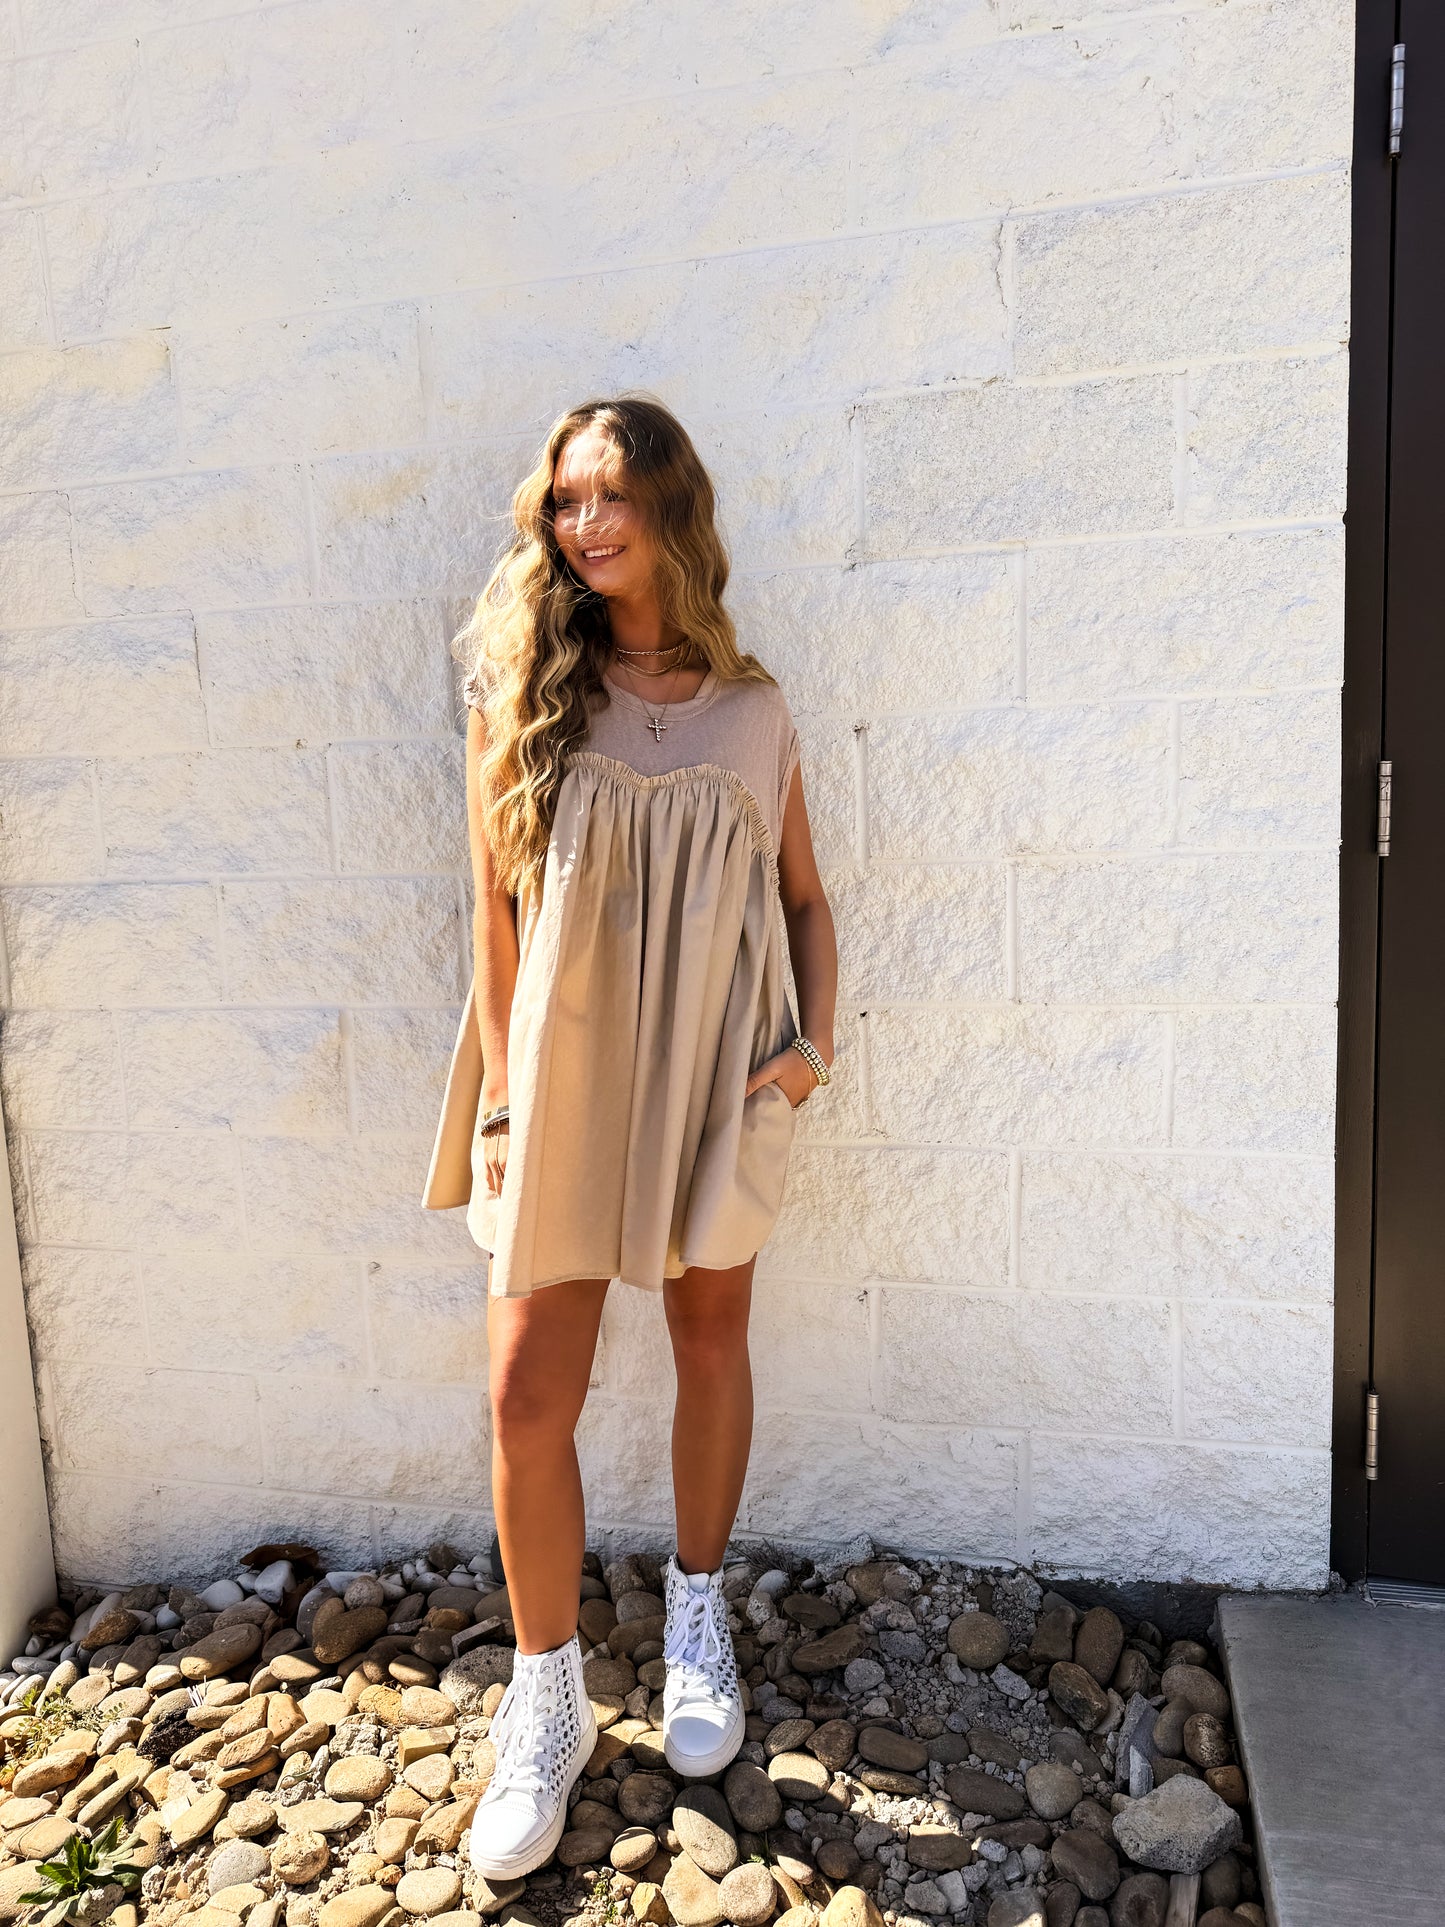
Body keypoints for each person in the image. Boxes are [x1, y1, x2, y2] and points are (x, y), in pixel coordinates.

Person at [422, 394, 838, 1880]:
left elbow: (806, 901)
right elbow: (491, 916)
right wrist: (503, 1098)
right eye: (564, 500)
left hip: (718, 1074)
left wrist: (805, 1057)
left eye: (610, 495)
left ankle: (696, 1616)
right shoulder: (527, 694)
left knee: (711, 1338)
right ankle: (546, 1702)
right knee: (526, 1398)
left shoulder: (754, 711)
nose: (584, 523)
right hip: (559, 1082)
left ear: (671, 508)